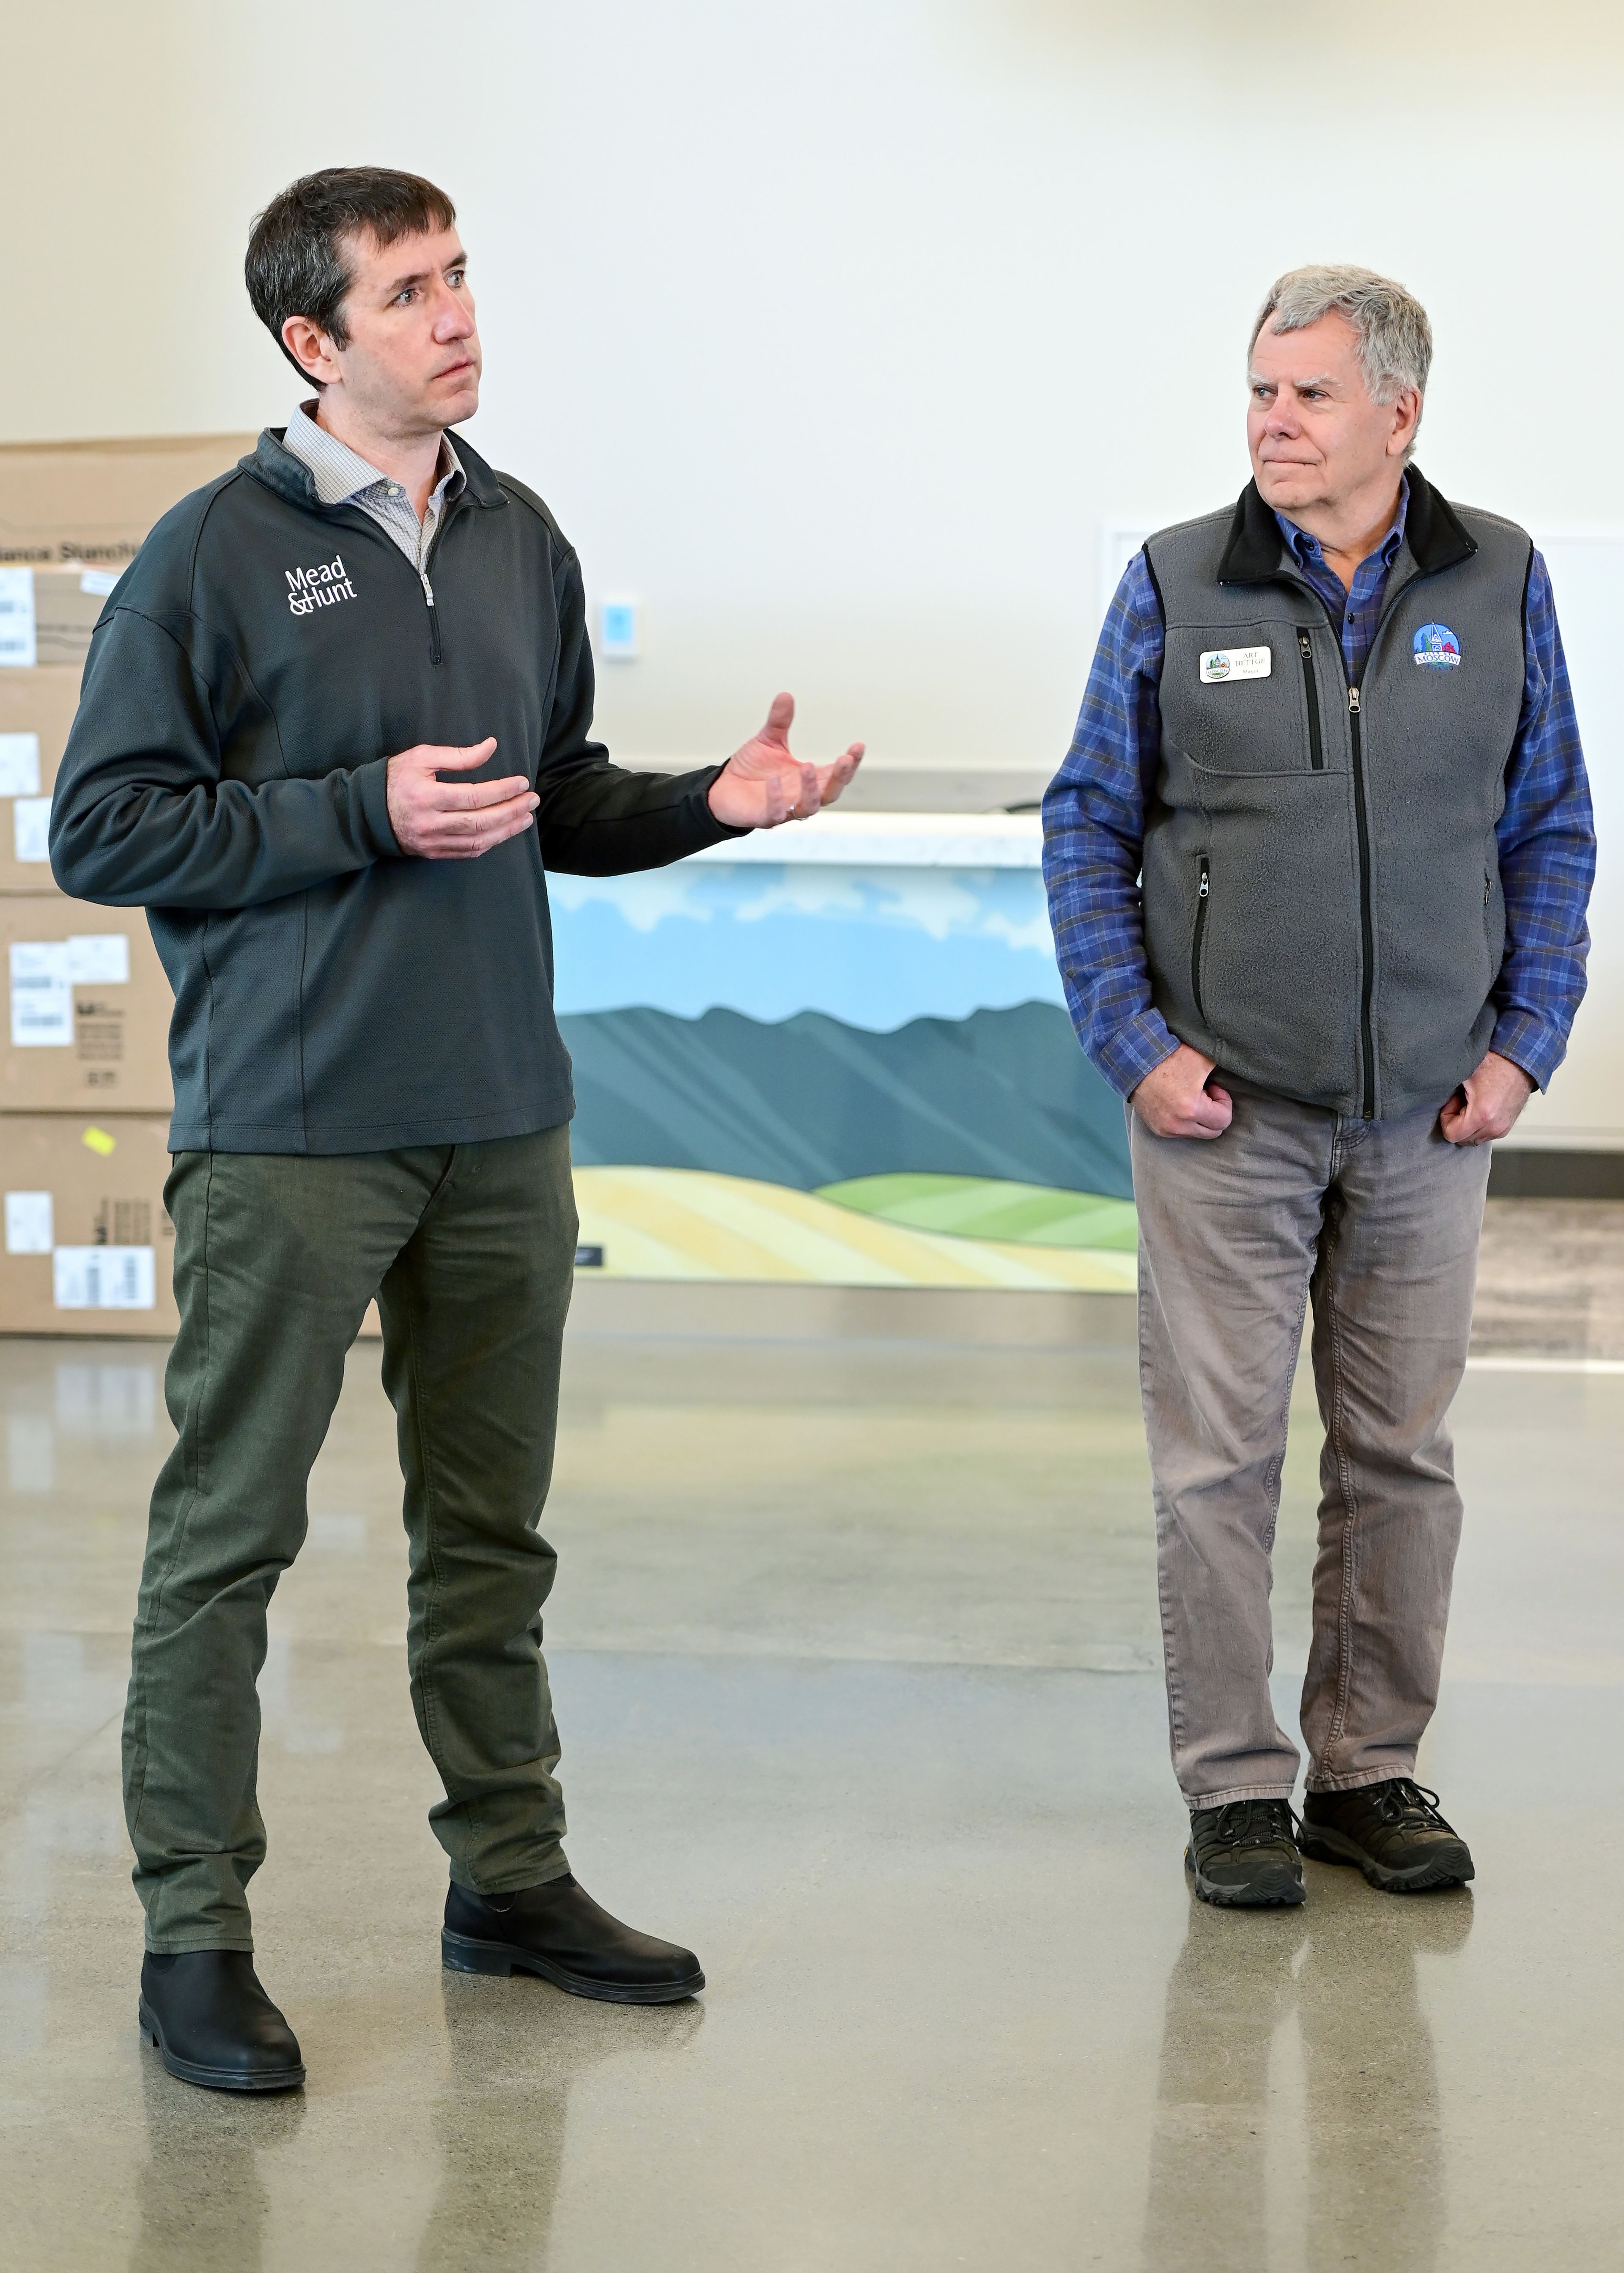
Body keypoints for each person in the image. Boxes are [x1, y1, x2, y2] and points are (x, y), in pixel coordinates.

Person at [50, 165, 863, 2091]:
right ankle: (193, 1933)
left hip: (503, 1112)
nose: (458, 315)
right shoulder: (205, 556)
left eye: (462, 276)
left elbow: (552, 793)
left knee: (489, 1536)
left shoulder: (518, 533)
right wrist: (358, 812)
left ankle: (509, 1876)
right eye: (410, 292)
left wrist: (708, 805)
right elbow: (103, 829)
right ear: (312, 343)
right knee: (227, 1540)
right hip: (296, 1129)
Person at [1043, 265, 1594, 1909]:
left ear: (1399, 414)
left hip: (1431, 1109)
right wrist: (1138, 1048)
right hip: (1230, 1114)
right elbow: (1086, 821)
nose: (1272, 423)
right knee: (1216, 1464)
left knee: (1402, 1455)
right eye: (1260, 393)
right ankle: (1234, 1790)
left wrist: (1523, 1046)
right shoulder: (1175, 581)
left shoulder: (1499, 580)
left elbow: (1551, 823)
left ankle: (1369, 1772)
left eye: (1307, 396)